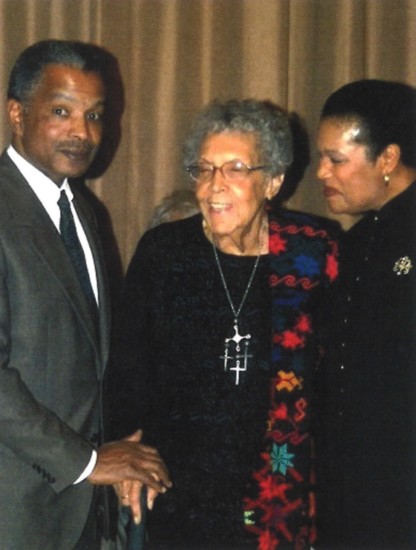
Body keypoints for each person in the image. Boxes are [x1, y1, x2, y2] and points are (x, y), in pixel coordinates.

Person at [107, 98, 338, 549]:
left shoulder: (314, 253)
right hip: (179, 488)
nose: (215, 186)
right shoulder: (164, 252)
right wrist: (126, 450)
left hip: (280, 489)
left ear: (272, 180)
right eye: (205, 169)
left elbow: (342, 374)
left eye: (235, 169)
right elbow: (127, 369)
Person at [0, 39, 171, 550]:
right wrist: (90, 461)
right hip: (15, 512)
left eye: (95, 115)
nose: (82, 131)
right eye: (61, 111)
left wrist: (119, 443)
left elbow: (90, 360)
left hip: (80, 512)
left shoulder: (85, 213)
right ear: (16, 113)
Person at [315, 79, 416, 548]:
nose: (320, 173)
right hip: (350, 488)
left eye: (336, 160)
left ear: (388, 160)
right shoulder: (349, 248)